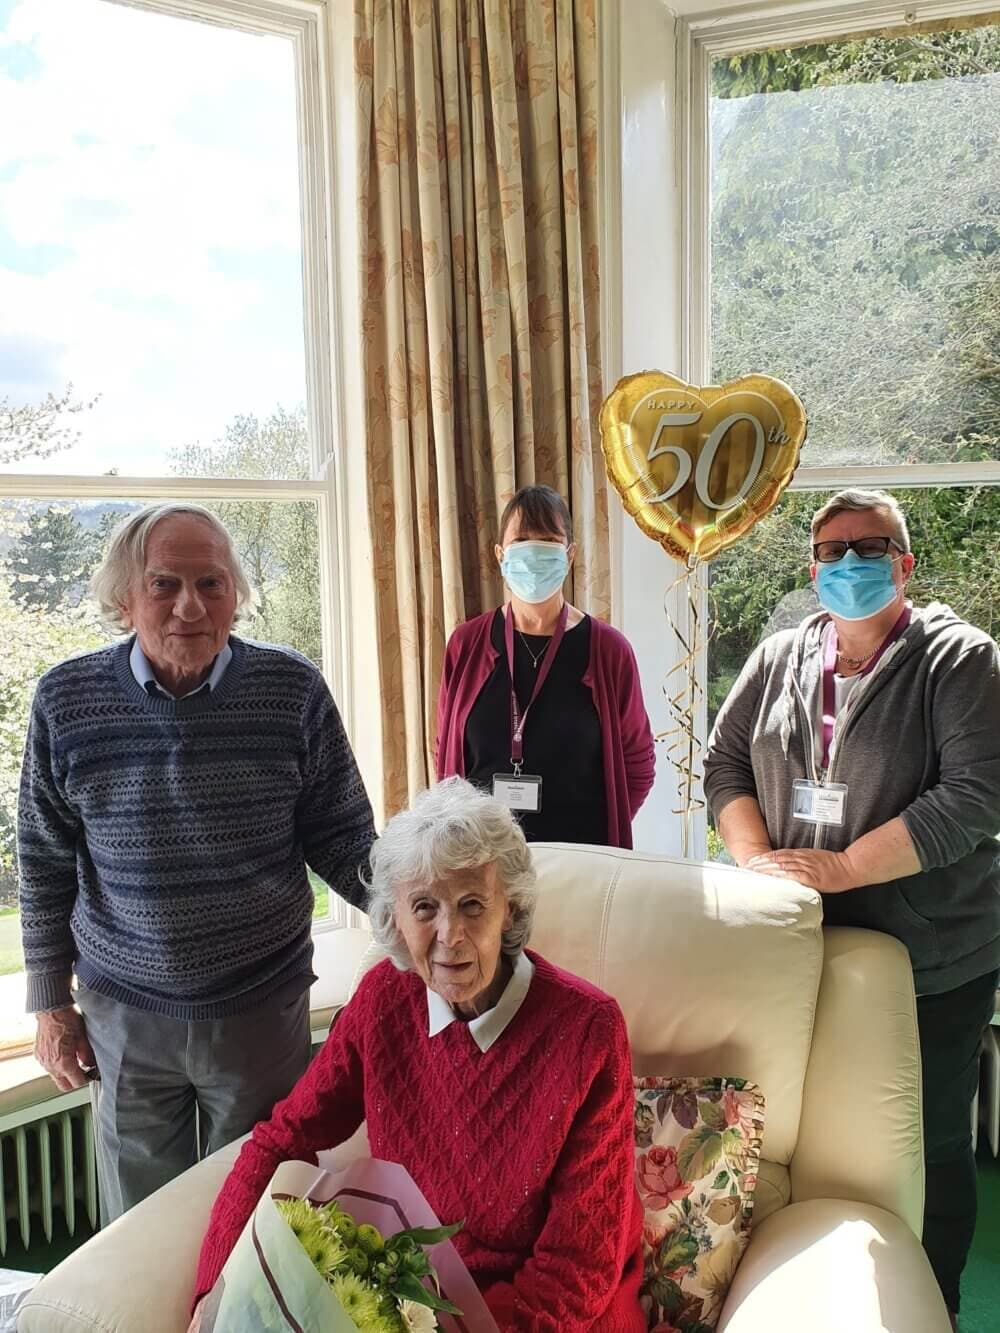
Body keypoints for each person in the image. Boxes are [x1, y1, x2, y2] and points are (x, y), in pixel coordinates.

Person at [17, 502, 375, 1223]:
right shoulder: (65, 699)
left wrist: (420, 916)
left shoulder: (291, 692)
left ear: (235, 595)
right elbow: (43, 860)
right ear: (125, 600)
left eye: (211, 582)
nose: (190, 604)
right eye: (164, 584)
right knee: (139, 1228)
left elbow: (343, 837)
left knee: (259, 1212)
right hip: (124, 1018)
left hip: (258, 1013)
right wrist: (51, 1001)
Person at [193, 778, 645, 1331]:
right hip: (410, 1303)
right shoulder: (384, 1000)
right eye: (425, 907)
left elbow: (577, 1270)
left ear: (511, 910)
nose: (449, 935)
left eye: (472, 905)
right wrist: (214, 1296)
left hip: (547, 1315)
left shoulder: (587, 1030)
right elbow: (280, 1140)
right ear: (395, 918)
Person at [703, 488, 1000, 1328]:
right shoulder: (779, 656)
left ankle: (933, 1304)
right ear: (812, 569)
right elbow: (723, 765)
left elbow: (974, 798)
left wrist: (839, 867)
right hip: (804, 951)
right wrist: (760, 864)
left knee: (932, 1144)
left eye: (867, 548)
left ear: (904, 563)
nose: (846, 564)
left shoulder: (961, 659)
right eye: (829, 551)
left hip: (930, 962)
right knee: (819, 1137)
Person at [436, 484, 654, 848]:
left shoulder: (610, 651)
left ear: (569, 555)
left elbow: (638, 763)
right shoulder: (465, 644)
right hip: (481, 863)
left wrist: (599, 831)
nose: (534, 551)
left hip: (581, 861)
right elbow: (445, 749)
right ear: (500, 555)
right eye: (522, 539)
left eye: (549, 540)